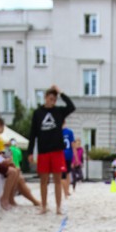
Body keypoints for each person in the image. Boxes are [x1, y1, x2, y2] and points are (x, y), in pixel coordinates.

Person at [27, 85, 75, 214]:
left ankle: (58, 207)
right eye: (50, 98)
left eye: (54, 99)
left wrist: (61, 92)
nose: (52, 101)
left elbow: (71, 106)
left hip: (57, 150)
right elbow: (33, 134)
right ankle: (44, 206)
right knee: (43, 180)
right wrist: (30, 152)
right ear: (45, 97)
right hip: (43, 151)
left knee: (57, 180)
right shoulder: (38, 113)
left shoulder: (59, 111)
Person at [61, 122, 75, 198]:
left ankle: (65, 192)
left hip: (61, 156)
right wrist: (75, 157)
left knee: (62, 176)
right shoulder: (70, 132)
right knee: (68, 173)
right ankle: (67, 190)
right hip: (69, 155)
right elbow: (73, 145)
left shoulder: (59, 132)